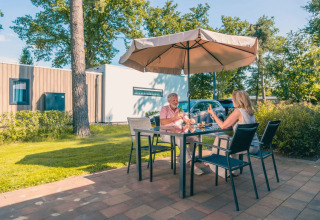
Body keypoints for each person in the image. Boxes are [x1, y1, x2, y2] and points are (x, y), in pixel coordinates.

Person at [207, 90, 259, 177]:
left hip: (245, 147)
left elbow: (223, 126)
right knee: (226, 139)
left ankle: (220, 167)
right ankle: (235, 170)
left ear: (239, 100)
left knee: (220, 140)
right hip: (254, 146)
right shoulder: (250, 112)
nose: (232, 101)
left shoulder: (238, 111)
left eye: (233, 99)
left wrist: (213, 114)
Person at [160, 93, 204, 175]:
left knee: (195, 139)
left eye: (177, 100)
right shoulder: (164, 109)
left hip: (179, 132)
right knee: (180, 139)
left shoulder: (179, 109)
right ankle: (192, 165)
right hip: (166, 134)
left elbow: (185, 119)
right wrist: (174, 118)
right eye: (174, 100)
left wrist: (190, 121)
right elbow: (162, 122)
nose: (176, 102)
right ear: (169, 101)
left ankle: (182, 156)